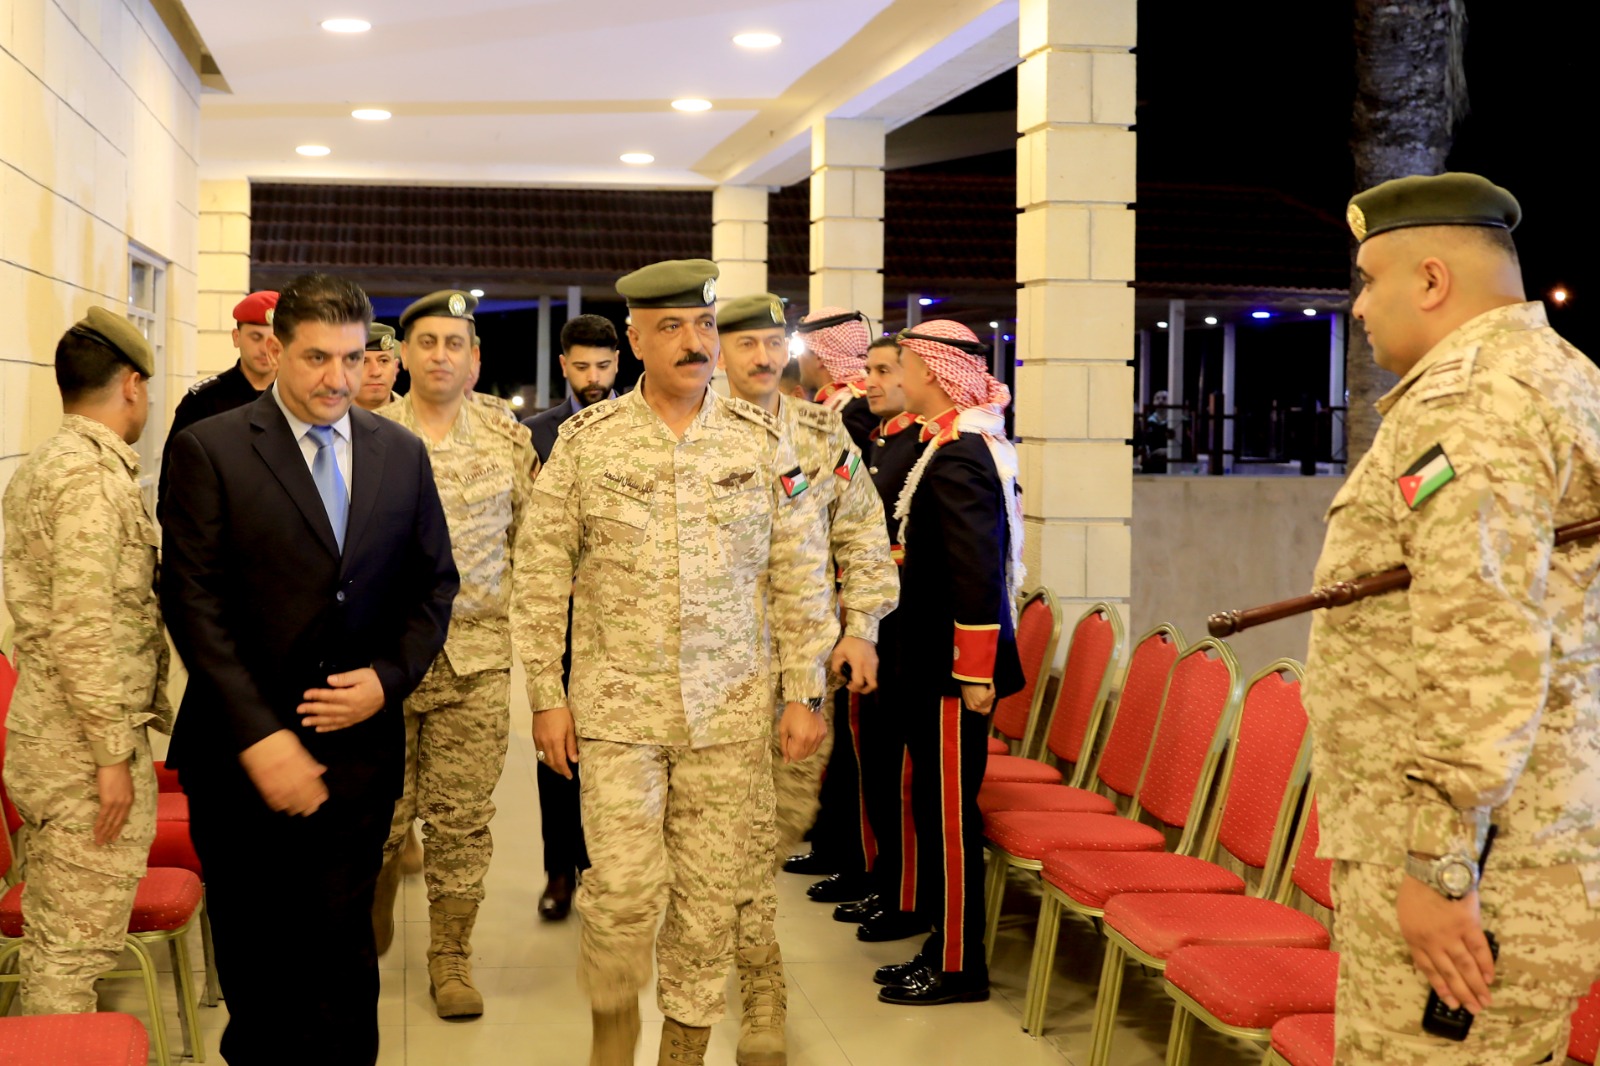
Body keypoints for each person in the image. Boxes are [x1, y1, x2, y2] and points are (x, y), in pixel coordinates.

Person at [1304, 172, 1600, 1064]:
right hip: (1519, 843)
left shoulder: (1471, 401)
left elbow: (1483, 639)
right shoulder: (1554, 373)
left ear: (1431, 280)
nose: (1359, 307)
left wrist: (1440, 863)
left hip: (1478, 868)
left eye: (1368, 280)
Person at [512, 259, 836, 1066]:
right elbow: (540, 573)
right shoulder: (587, 444)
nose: (694, 343)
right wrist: (546, 695)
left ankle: (682, 1051)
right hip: (618, 714)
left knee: (708, 899)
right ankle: (613, 1026)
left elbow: (801, 574)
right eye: (671, 328)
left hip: (729, 715)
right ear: (635, 341)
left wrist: (806, 692)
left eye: (703, 326)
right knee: (622, 889)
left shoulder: (763, 442)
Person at [161, 272, 458, 1066]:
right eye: (316, 358)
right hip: (242, 762)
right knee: (261, 971)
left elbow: (434, 586)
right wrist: (262, 738)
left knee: (343, 966)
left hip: (357, 759)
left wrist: (387, 679)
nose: (337, 378)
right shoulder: (211, 449)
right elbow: (193, 605)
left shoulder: (399, 454)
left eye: (352, 358)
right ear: (276, 350)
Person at [717, 293, 898, 1066]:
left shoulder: (823, 434)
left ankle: (735, 960)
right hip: (703, 677)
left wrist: (862, 627)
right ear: (718, 352)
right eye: (745, 344)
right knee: (730, 839)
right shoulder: (687, 433)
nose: (763, 357)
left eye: (773, 343)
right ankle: (759, 993)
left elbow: (864, 536)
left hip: (797, 678)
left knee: (771, 832)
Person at [365, 290, 535, 1018]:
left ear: (475, 358)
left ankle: (450, 957)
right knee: (379, 814)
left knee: (462, 820)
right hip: (382, 664)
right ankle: (368, 911)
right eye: (427, 342)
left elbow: (534, 546)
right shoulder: (365, 435)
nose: (440, 355)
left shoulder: (507, 441)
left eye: (454, 343)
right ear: (403, 355)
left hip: (476, 660)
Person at [1, 309, 172, 1015]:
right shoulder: (90, 480)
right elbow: (83, 625)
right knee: (70, 956)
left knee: (57, 940)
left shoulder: (50, 462)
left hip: (55, 734)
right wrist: (110, 757)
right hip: (78, 754)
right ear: (131, 385)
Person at [874, 319, 1024, 1006]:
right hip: (929, 657)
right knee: (932, 808)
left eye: (903, 365)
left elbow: (975, 571)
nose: (895, 376)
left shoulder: (960, 453)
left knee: (948, 819)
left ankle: (960, 966)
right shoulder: (949, 443)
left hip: (949, 669)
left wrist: (974, 671)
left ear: (933, 373)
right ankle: (941, 945)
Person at [519, 313, 620, 921]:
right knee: (557, 746)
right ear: (563, 366)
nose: (593, 377)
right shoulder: (536, 436)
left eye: (603, 365)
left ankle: (609, 868)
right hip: (561, 616)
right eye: (581, 367)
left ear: (619, 362)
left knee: (620, 749)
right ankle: (560, 869)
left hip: (624, 620)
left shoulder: (636, 427)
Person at [850, 336, 932, 945]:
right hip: (880, 626)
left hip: (907, 630)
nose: (870, 382)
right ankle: (882, 879)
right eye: (867, 370)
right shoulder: (885, 439)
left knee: (899, 773)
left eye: (883, 371)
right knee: (874, 761)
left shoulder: (929, 447)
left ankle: (904, 896)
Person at [157, 290, 279, 519]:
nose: (265, 348)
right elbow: (172, 487)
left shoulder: (298, 401)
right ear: (236, 337)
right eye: (256, 337)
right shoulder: (202, 402)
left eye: (273, 339)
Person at [796, 308, 878, 450]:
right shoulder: (845, 401)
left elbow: (857, 463)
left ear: (819, 357)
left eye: (801, 351)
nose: (798, 358)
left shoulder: (854, 409)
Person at [354, 322, 400, 411]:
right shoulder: (328, 416)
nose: (375, 372)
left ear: (395, 368)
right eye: (363, 362)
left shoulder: (418, 416)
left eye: (384, 361)